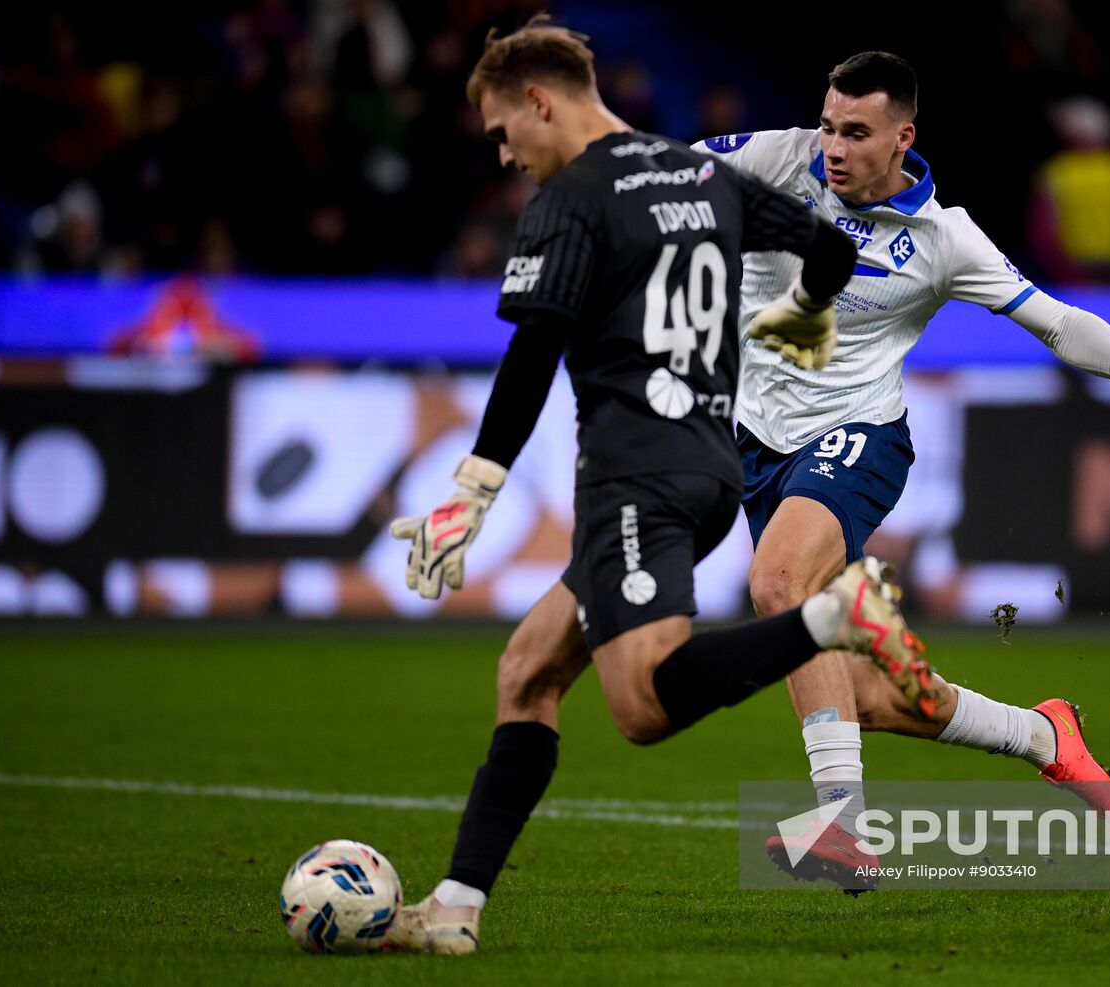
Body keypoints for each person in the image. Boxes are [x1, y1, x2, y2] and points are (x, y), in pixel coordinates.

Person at [384, 21, 933, 954]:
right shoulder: (704, 178)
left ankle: (834, 621)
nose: (506, 153)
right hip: (712, 463)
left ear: (539, 100)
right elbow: (834, 255)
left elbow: (532, 352)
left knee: (639, 707)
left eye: (502, 131)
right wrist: (802, 319)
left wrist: (471, 492)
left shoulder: (577, 196)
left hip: (634, 471)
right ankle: (455, 909)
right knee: (528, 670)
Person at [691, 52, 1110, 885]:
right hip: (758, 445)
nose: (833, 145)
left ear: (903, 137)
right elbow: (663, 176)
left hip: (859, 438)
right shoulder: (777, 158)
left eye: (856, 132)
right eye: (828, 124)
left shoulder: (943, 238)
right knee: (869, 696)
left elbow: (1054, 320)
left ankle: (842, 823)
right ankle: (1044, 735)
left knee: (777, 582)